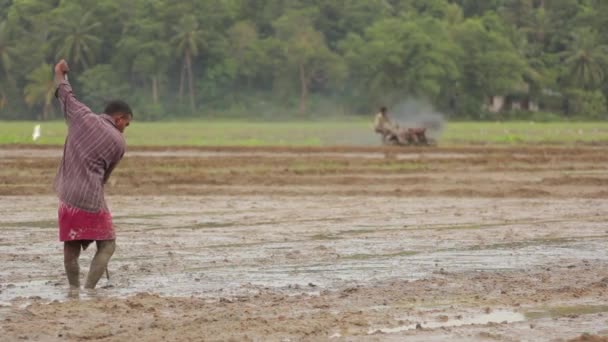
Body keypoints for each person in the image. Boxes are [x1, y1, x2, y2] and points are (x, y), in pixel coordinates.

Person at [53, 59, 132, 290]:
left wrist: (61, 73)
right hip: (91, 199)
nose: (124, 129)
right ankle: (89, 289)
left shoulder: (81, 116)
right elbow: (104, 177)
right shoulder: (118, 142)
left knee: (71, 250)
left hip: (66, 198)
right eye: (126, 124)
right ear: (118, 119)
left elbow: (64, 92)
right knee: (107, 246)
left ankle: (73, 290)